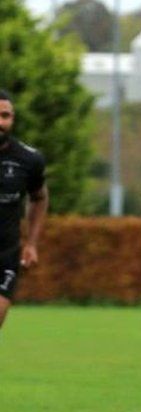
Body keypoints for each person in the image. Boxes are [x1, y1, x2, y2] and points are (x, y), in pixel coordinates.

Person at [0, 89, 48, 332]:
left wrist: (31, 243)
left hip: (5, 254)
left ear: (12, 119)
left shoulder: (29, 159)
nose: (0, 122)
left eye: (5, 116)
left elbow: (39, 198)